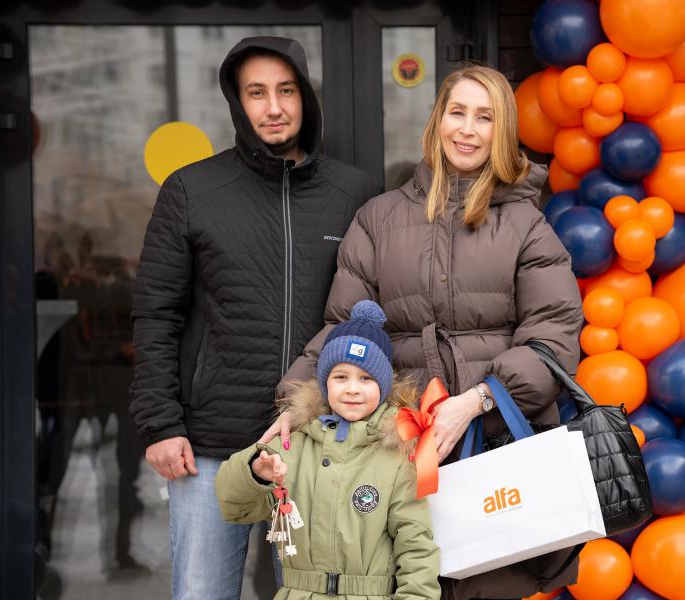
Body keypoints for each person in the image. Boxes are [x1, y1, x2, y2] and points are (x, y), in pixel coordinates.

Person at [275, 65, 585, 597]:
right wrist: (294, 405)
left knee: (490, 582)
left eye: (484, 117)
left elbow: (553, 333)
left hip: (495, 446)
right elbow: (343, 329)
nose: (467, 129)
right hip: (395, 451)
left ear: (502, 131)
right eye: (457, 112)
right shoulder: (378, 219)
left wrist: (479, 400)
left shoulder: (526, 225)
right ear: (437, 120)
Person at [130, 36, 381, 600]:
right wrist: (161, 424)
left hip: (321, 447)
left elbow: (371, 315)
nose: (273, 107)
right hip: (210, 450)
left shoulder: (355, 193)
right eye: (257, 92)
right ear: (237, 102)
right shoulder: (192, 190)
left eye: (286, 91)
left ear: (305, 98)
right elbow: (155, 315)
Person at [214, 300, 440, 600]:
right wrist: (255, 471)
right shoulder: (292, 446)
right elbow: (233, 505)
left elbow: (416, 546)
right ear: (324, 383)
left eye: (366, 378)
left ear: (384, 386)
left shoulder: (397, 457)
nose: (352, 389)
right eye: (340, 377)